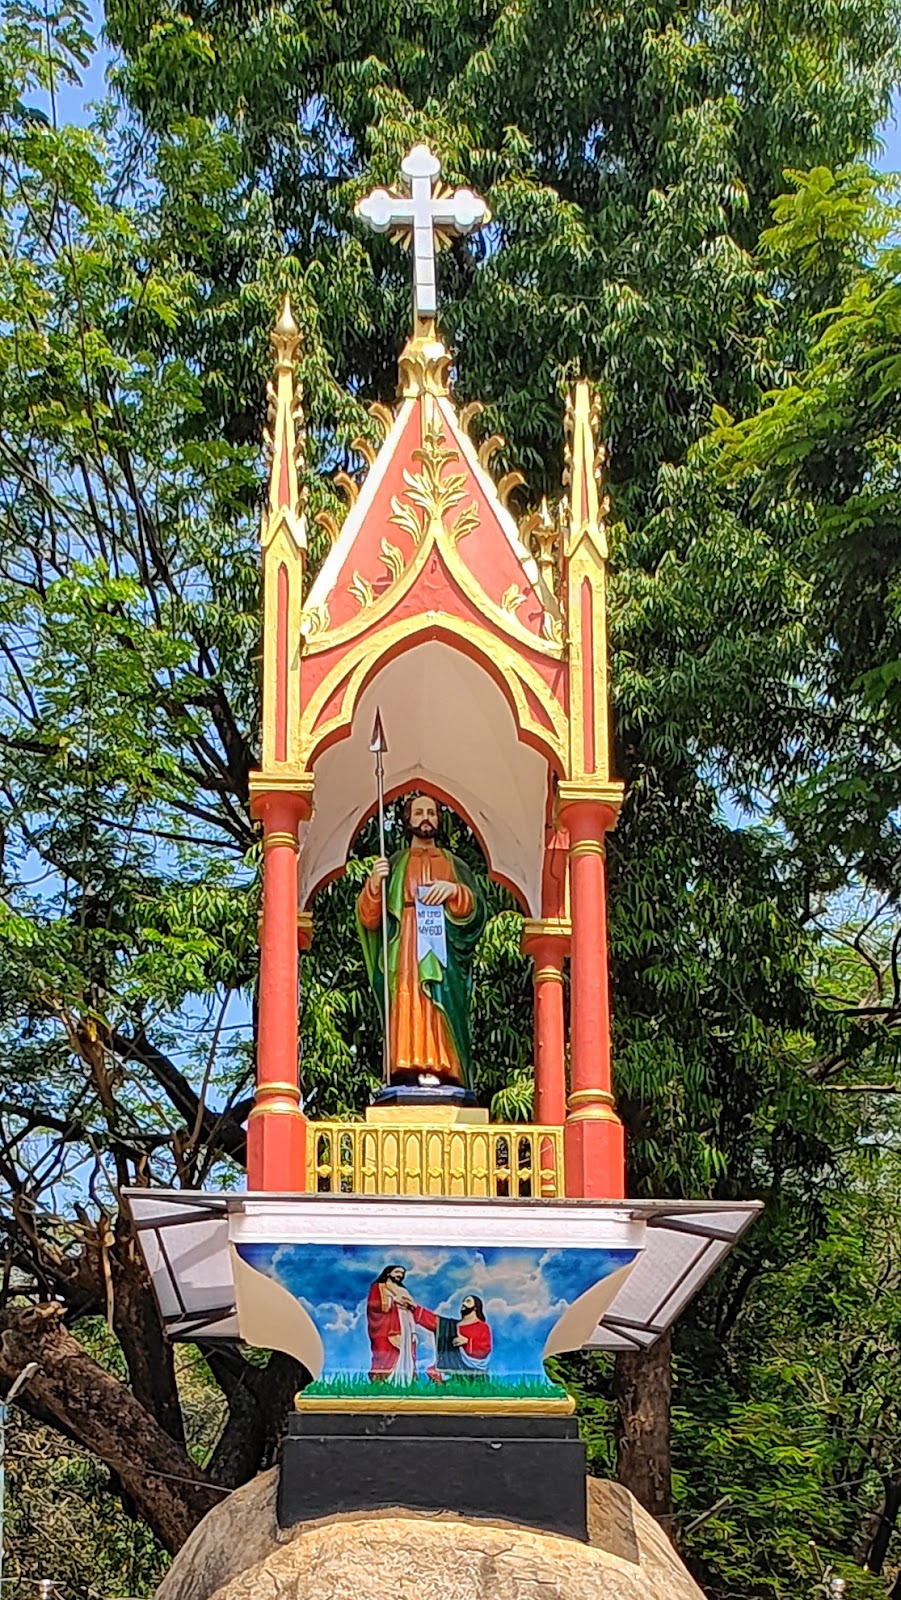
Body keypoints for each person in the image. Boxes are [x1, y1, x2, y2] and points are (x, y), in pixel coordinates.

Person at [356, 792, 486, 1090]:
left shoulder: (454, 865)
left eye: (431, 812)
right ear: (407, 820)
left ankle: (445, 1068)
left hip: (443, 949)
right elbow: (369, 918)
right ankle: (405, 1067)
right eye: (419, 812)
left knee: (440, 1002)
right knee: (408, 1000)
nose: (426, 818)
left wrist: (453, 891)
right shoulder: (395, 863)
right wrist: (375, 883)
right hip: (405, 947)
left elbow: (477, 912)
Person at [416, 1293, 492, 1381]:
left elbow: (485, 1348)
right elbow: (433, 1321)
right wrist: (415, 1308)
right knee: (433, 1371)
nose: (464, 1303)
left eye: (468, 1301)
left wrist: (468, 1342)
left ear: (476, 1307)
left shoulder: (482, 1327)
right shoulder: (451, 1326)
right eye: (463, 1301)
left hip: (469, 1366)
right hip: (451, 1363)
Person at [366, 1264, 419, 1382]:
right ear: (389, 1273)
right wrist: (393, 1300)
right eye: (397, 1272)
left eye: (402, 1273)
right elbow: (373, 1305)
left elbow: (412, 1308)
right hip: (386, 1326)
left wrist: (413, 1331)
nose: (400, 1275)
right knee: (384, 1351)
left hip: (405, 1323)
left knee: (405, 1351)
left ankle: (404, 1380)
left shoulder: (403, 1290)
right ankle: (381, 1381)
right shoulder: (379, 1287)